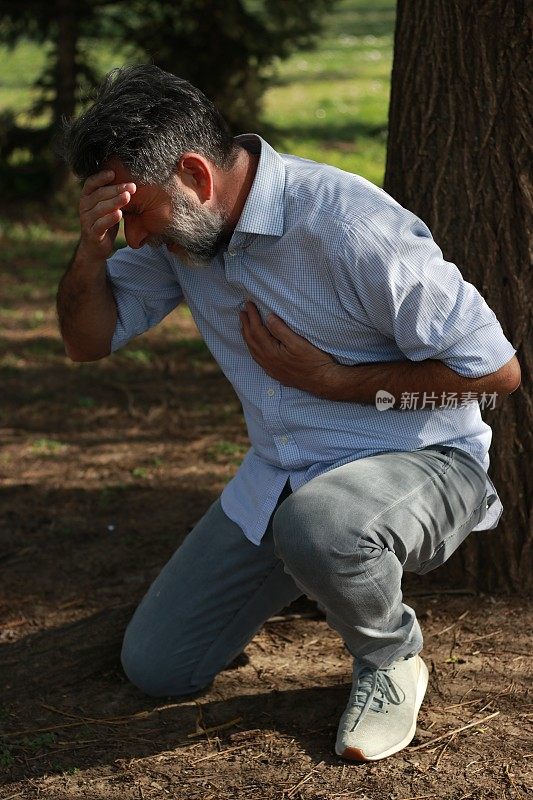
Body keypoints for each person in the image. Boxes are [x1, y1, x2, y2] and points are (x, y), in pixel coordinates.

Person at [56, 65, 521, 762]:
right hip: (282, 478)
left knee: (321, 526)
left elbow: (495, 375)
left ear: (195, 175)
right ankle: (322, 573)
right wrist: (90, 257)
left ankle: (391, 657)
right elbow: (86, 342)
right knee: (158, 666)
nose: (138, 239)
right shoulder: (186, 231)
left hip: (426, 466)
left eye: (138, 215)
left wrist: (335, 381)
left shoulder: (349, 225)